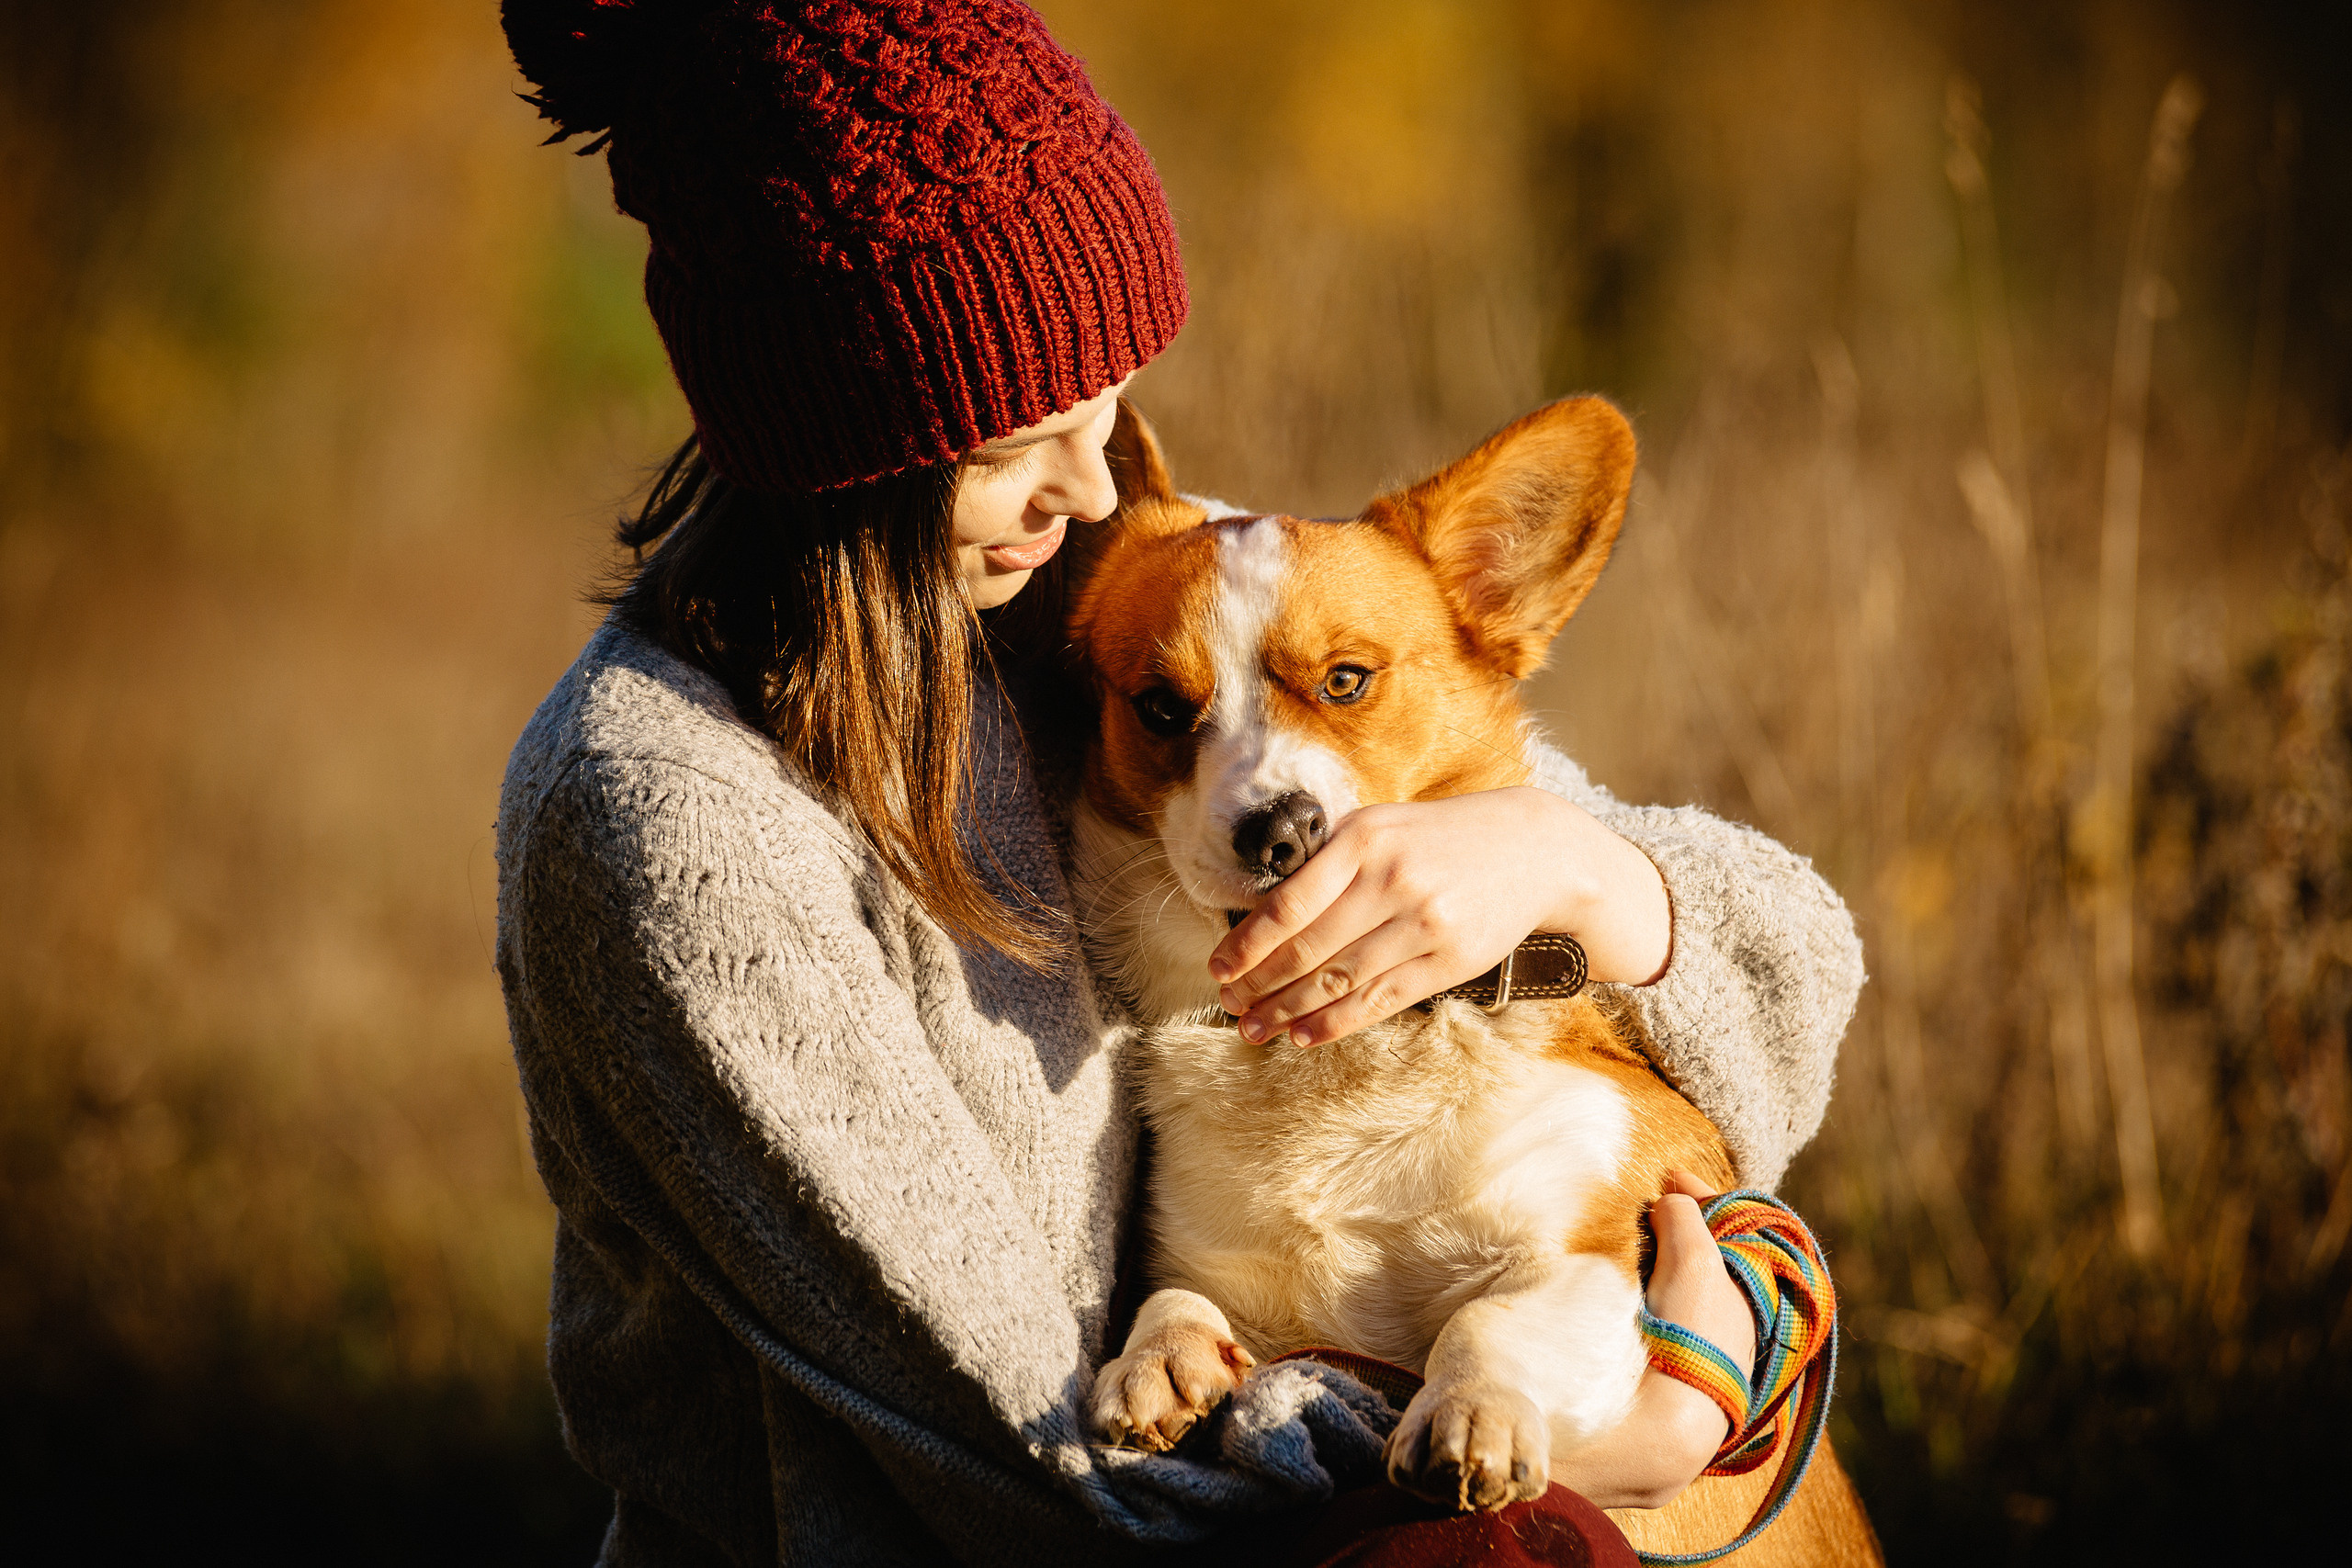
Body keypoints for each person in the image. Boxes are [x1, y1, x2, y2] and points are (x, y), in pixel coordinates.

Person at [492, 3, 1865, 1564]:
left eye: (1114, 413)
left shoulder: (1102, 580)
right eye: (1030, 435)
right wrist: (1641, 1424)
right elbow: (1026, 1469)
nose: (1099, 488)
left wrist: (1575, 869)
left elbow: (1792, 986)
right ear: (861, 442)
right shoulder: (677, 820)